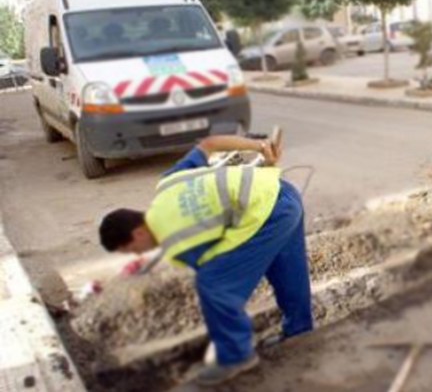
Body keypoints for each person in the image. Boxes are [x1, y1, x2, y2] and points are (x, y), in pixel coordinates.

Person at [98, 135, 313, 386]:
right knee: (286, 267)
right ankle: (299, 330)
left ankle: (235, 356)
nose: (138, 254)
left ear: (137, 233)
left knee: (212, 284)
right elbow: (208, 144)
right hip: (282, 190)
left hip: (269, 213)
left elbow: (222, 274)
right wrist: (261, 147)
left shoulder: (176, 242)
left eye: (133, 250)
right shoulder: (167, 183)